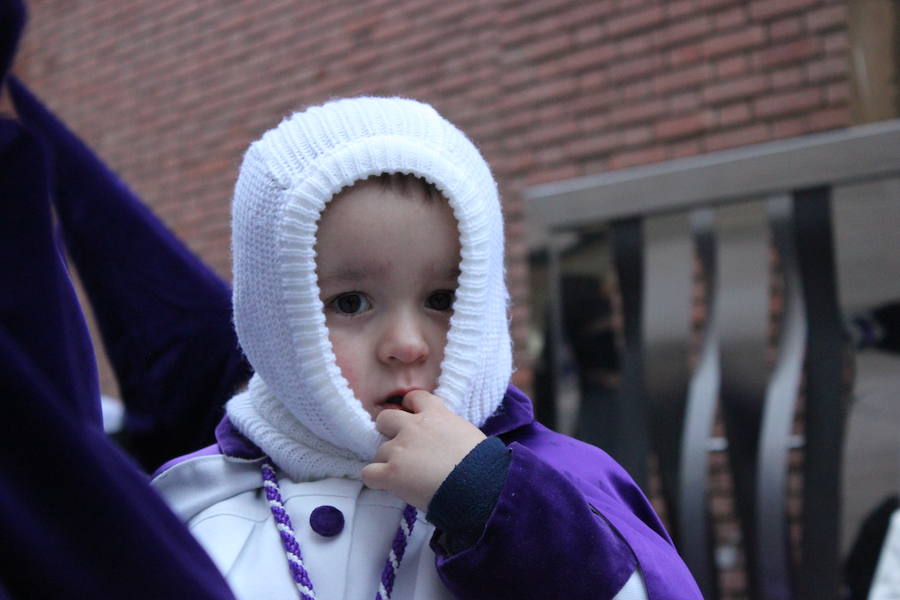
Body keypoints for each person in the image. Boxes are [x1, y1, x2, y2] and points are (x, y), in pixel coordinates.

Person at [151, 97, 701, 600]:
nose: (407, 345)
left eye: (442, 298)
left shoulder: (564, 486)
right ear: (275, 322)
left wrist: (491, 501)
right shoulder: (192, 507)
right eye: (350, 303)